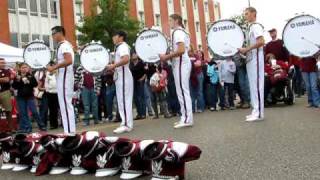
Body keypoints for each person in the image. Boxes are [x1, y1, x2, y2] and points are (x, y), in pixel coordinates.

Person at [160, 14, 193, 128]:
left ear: (177, 21)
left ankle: (187, 119)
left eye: (170, 20)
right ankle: (184, 117)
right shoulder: (181, 32)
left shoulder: (177, 32)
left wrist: (166, 57)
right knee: (182, 91)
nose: (168, 22)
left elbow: (181, 50)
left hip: (180, 63)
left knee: (183, 92)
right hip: (181, 63)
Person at [47, 26, 76, 134]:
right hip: (63, 77)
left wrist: (54, 67)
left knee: (65, 103)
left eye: (54, 33)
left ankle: (69, 131)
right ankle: (68, 130)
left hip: (65, 78)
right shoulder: (63, 46)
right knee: (64, 104)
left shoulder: (64, 45)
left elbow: (69, 60)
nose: (53, 36)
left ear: (60, 33)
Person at [238, 7, 265, 122]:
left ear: (254, 13)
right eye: (245, 14)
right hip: (251, 59)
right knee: (253, 86)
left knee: (257, 86)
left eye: (247, 13)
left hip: (256, 58)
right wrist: (244, 50)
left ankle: (259, 113)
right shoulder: (250, 28)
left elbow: (261, 41)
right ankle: (255, 110)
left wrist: (247, 49)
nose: (245, 16)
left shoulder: (256, 26)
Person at [106, 31, 133, 134]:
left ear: (121, 37)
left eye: (115, 35)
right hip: (121, 75)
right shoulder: (120, 47)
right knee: (122, 101)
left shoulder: (122, 46)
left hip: (124, 76)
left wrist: (113, 66)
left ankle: (127, 124)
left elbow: (126, 59)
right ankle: (125, 122)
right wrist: (114, 67)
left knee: (124, 100)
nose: (113, 37)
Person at [12, 63, 46, 133]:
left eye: (25, 67)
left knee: (34, 111)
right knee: (23, 113)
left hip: (30, 96)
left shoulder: (30, 75)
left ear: (27, 68)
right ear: (20, 68)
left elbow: (35, 84)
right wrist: (18, 81)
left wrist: (29, 81)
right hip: (21, 97)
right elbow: (14, 86)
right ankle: (28, 127)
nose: (24, 69)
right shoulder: (17, 76)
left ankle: (41, 125)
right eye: (23, 67)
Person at [130, 50, 146, 120]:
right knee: (136, 98)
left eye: (135, 54)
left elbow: (146, 72)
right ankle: (139, 113)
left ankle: (143, 113)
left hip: (140, 81)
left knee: (141, 97)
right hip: (133, 82)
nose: (134, 55)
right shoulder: (130, 64)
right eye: (132, 54)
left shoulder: (141, 63)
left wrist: (142, 78)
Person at [189, 45, 205, 113]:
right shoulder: (185, 57)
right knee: (191, 93)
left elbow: (198, 64)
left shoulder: (196, 55)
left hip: (198, 75)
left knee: (199, 92)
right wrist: (193, 63)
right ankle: (192, 109)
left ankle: (200, 108)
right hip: (190, 76)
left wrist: (190, 64)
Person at [0, 58, 13, 133]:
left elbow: (7, 80)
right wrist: (2, 79)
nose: (3, 64)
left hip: (5, 92)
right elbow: (4, 79)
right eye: (1, 63)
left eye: (3, 63)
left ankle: (11, 128)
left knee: (8, 111)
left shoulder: (7, 71)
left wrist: (4, 79)